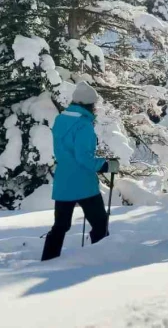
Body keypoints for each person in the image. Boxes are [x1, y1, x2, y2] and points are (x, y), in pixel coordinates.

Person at [41, 81, 119, 261]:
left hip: (63, 181)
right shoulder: (83, 125)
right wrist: (105, 165)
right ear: (89, 105)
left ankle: (48, 259)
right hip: (83, 184)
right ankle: (100, 257)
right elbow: (84, 157)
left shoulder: (61, 119)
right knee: (99, 224)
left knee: (60, 226)